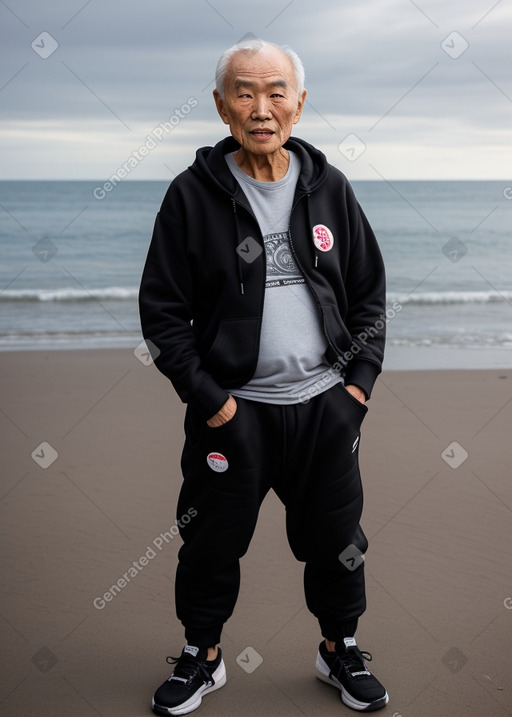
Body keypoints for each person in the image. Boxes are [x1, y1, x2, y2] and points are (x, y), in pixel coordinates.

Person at [139, 37, 389, 715]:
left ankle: (339, 647)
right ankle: (202, 655)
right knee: (211, 542)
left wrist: (356, 389)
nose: (261, 106)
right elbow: (162, 313)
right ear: (221, 107)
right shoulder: (192, 196)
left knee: (338, 543)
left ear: (299, 104)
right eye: (244, 92)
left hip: (324, 409)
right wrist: (213, 402)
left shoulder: (330, 187)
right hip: (233, 412)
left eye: (276, 90)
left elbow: (369, 292)